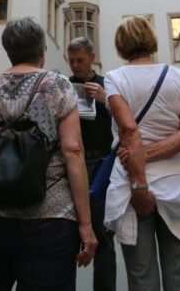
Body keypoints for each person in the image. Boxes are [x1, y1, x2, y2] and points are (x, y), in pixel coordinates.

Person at [0, 17, 97, 290]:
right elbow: (73, 150)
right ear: (42, 51)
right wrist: (86, 224)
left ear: (8, 51)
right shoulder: (59, 86)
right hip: (49, 216)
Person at [104, 16, 180, 290]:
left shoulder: (115, 79)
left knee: (142, 277)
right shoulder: (179, 77)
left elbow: (129, 131)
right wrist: (151, 153)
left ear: (121, 44)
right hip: (179, 183)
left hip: (132, 184)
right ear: (151, 39)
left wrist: (140, 175)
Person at [67, 36, 117, 291]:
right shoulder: (63, 86)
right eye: (72, 60)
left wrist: (105, 98)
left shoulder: (106, 84)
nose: (75, 66)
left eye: (80, 60)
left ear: (92, 57)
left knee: (103, 236)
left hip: (100, 165)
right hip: (70, 165)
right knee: (65, 237)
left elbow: (124, 120)